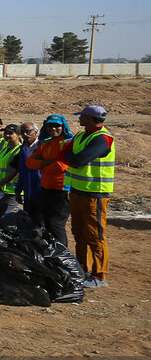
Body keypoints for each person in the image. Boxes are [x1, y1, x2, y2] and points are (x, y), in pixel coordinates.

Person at [61, 105, 115, 288]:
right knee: (79, 233)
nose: (79, 119)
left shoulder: (103, 139)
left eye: (82, 116)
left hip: (95, 194)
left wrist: (70, 157)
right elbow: (66, 154)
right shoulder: (81, 136)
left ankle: (99, 276)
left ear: (90, 118)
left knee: (95, 235)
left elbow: (77, 160)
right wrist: (70, 157)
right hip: (77, 191)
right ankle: (83, 269)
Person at [26, 114, 72, 248]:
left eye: (57, 125)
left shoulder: (68, 142)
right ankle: (52, 252)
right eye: (50, 125)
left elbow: (61, 166)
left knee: (55, 224)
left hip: (63, 189)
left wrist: (42, 163)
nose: (53, 128)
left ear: (63, 127)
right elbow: (29, 162)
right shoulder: (45, 143)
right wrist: (48, 163)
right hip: (46, 188)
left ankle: (62, 254)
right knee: (46, 222)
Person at [0, 124, 24, 223]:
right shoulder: (4, 149)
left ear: (18, 135)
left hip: (12, 191)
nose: (7, 135)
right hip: (0, 190)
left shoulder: (20, 150)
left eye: (10, 133)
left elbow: (15, 171)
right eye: (5, 133)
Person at [14, 122, 43, 225]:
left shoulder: (42, 146)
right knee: (29, 220)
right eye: (22, 132)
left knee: (41, 221)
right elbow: (22, 171)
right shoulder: (23, 148)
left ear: (36, 132)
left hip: (41, 190)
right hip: (28, 191)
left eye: (28, 131)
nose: (25, 134)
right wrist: (18, 190)